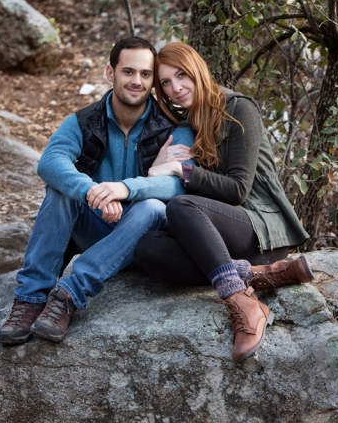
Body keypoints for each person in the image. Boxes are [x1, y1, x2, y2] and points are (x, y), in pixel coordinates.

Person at [0, 37, 194, 345]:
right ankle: (30, 300)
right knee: (61, 191)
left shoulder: (174, 126)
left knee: (153, 207)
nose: (137, 81)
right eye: (128, 72)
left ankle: (68, 296)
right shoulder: (85, 120)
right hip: (98, 226)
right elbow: (50, 162)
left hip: (142, 239)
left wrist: (125, 190)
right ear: (110, 73)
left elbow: (178, 182)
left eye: (145, 74)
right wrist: (92, 191)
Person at [132, 42, 311, 362]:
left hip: (261, 227)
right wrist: (158, 165)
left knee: (180, 207)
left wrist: (179, 169)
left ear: (197, 69)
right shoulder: (187, 123)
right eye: (166, 83)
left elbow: (237, 190)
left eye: (182, 75)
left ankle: (242, 301)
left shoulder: (240, 108)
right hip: (225, 236)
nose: (176, 88)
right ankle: (255, 274)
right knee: (149, 247)